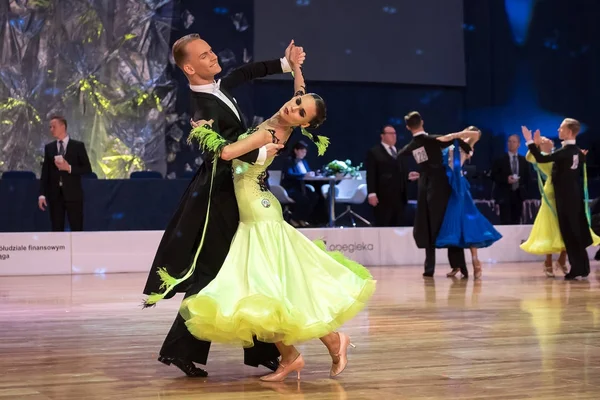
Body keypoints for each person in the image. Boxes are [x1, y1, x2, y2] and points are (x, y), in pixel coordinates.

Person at [174, 51, 375, 382]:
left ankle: (318, 345)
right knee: (268, 291)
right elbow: (299, 88)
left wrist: (202, 130)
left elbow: (226, 153)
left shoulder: (270, 135)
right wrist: (294, 67)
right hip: (258, 210)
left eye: (299, 111)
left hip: (258, 214)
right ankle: (298, 353)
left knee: (268, 291)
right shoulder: (284, 116)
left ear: (304, 124)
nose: (291, 107)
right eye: (297, 102)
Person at [142, 34, 300, 377]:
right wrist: (260, 152)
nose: (213, 57)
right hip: (218, 197)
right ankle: (184, 350)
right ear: (188, 67)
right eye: (204, 55)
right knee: (214, 271)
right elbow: (216, 152)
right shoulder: (201, 108)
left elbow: (246, 72)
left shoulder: (218, 87)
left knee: (246, 269)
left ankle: (262, 351)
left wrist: (285, 64)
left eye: (211, 50)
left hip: (238, 189)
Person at [398, 111, 472, 277]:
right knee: (448, 222)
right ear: (422, 122)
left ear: (408, 127)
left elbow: (398, 156)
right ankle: (461, 267)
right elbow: (455, 140)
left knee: (428, 225)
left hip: (425, 187)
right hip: (441, 186)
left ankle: (429, 268)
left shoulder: (411, 146)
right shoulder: (434, 139)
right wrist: (468, 148)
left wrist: (415, 174)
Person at [520, 133, 600, 277]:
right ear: (542, 145)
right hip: (551, 195)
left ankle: (562, 259)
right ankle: (548, 262)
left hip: (565, 194)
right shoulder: (544, 157)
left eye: (547, 139)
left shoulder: (558, 154)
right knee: (550, 230)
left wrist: (581, 157)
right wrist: (535, 145)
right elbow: (530, 157)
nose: (548, 139)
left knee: (565, 228)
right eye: (544, 140)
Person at [434, 127, 503, 279]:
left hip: (457, 185)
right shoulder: (455, 144)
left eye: (467, 131)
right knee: (464, 222)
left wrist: (454, 135)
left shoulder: (466, 146)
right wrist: (453, 138)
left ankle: (473, 260)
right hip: (448, 183)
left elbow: (476, 134)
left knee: (463, 221)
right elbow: (440, 142)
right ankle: (469, 261)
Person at [38, 115, 92, 231]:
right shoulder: (49, 148)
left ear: (63, 127)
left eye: (54, 126)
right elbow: (45, 173)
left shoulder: (78, 146)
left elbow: (87, 169)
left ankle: (78, 249)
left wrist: (69, 168)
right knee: (57, 229)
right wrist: (42, 194)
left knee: (77, 228)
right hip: (55, 195)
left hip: (73, 195)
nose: (51, 129)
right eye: (50, 127)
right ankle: (58, 249)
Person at [365, 125, 409, 227]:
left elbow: (401, 172)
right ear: (382, 136)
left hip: (399, 197)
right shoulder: (374, 152)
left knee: (399, 225)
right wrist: (372, 193)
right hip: (383, 197)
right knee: (384, 224)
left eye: (395, 134)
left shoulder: (400, 152)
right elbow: (371, 173)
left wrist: (408, 176)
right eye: (390, 134)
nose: (394, 136)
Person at [491, 134, 531, 224]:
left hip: (518, 195)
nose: (511, 143)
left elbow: (527, 177)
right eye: (509, 141)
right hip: (504, 196)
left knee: (517, 220)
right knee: (505, 221)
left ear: (519, 144)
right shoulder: (500, 160)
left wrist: (520, 181)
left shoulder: (524, 160)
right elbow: (493, 176)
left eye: (514, 142)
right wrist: (506, 179)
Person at [280, 140, 318, 227]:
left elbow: (307, 172)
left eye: (305, 152)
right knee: (303, 199)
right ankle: (294, 218)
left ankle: (302, 218)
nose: (303, 153)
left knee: (314, 197)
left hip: (301, 187)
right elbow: (289, 174)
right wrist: (304, 174)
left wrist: (312, 174)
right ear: (296, 150)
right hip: (291, 188)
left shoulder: (304, 161)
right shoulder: (289, 161)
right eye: (302, 151)